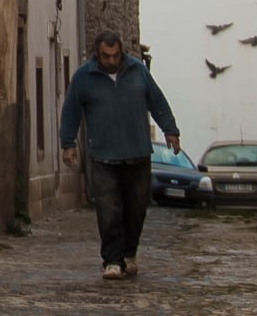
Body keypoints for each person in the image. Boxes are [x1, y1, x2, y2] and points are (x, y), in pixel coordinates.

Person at [58, 32, 180, 280]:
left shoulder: (137, 71)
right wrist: (68, 143)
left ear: (121, 53)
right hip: (102, 155)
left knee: (136, 207)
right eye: (106, 56)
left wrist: (170, 130)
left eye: (115, 56)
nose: (111, 61)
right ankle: (112, 260)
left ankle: (129, 254)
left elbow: (156, 101)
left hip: (137, 152)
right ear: (97, 54)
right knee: (108, 209)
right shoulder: (84, 76)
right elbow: (71, 110)